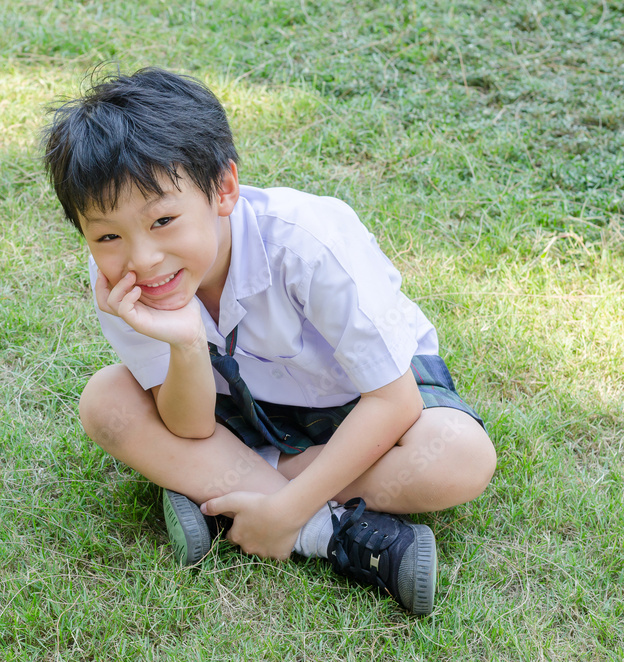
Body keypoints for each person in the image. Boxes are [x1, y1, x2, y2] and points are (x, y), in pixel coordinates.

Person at [41, 67, 496, 615]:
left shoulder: (308, 242)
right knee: (106, 402)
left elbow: (392, 401)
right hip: (236, 406)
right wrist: (186, 343)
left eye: (163, 220)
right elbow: (189, 425)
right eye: (108, 235)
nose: (142, 258)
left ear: (224, 189)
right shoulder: (122, 285)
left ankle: (213, 484)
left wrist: (282, 511)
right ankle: (331, 535)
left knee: (460, 457)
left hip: (364, 405)